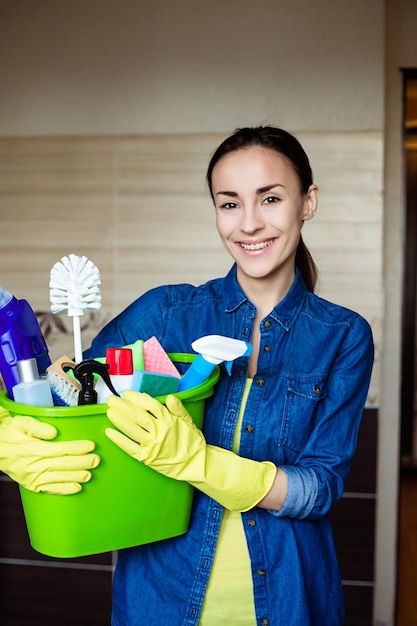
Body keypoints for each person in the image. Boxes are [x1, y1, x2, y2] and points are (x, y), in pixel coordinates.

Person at [0, 126, 374, 625]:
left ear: (308, 202)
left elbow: (319, 488)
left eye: (270, 198)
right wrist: (8, 435)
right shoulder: (167, 312)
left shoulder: (343, 336)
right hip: (160, 600)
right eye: (229, 203)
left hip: (288, 602)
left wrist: (198, 462)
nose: (250, 223)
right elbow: (66, 395)